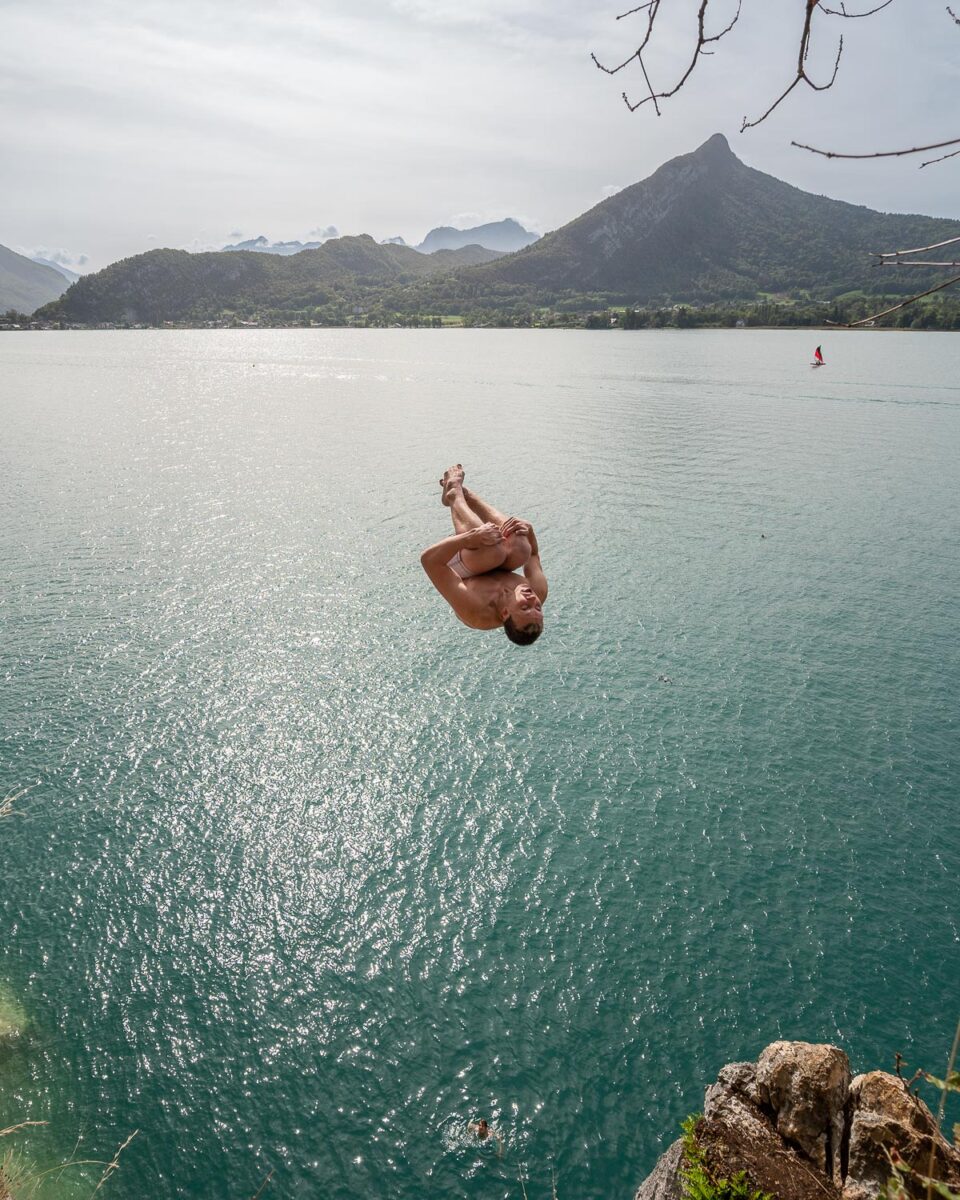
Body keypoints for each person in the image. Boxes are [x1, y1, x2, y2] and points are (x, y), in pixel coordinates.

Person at [420, 465, 547, 645]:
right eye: (538, 607)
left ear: (505, 613)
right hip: (493, 557)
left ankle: (454, 494)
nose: (532, 599)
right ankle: (468, 495)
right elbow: (533, 554)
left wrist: (469, 538)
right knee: (521, 547)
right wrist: (528, 529)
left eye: (525, 607)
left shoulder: (476, 611)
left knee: (492, 551)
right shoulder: (538, 591)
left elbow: (429, 560)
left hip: (461, 563)